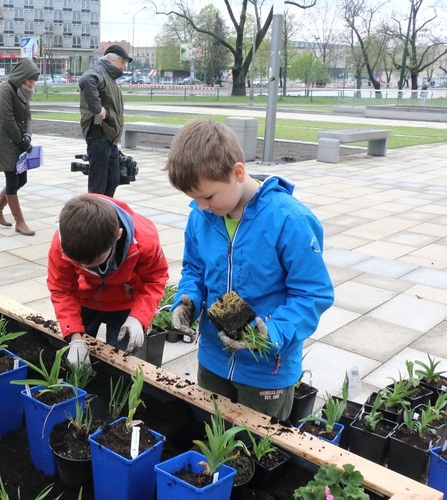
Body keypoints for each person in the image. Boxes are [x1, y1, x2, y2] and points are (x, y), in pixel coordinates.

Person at [165, 120, 334, 421]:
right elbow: (194, 269)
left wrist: (272, 331)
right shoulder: (201, 217)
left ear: (238, 173)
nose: (201, 206)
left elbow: (312, 293)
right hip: (213, 359)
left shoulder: (289, 220)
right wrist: (187, 299)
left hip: (266, 368)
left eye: (208, 196)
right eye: (194, 198)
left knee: (257, 448)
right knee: (212, 433)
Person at [47, 194, 169, 366]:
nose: (85, 267)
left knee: (122, 362)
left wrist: (139, 317)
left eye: (94, 261)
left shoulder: (144, 242)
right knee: (74, 358)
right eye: (78, 263)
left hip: (124, 302)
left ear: (118, 236)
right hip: (84, 298)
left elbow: (155, 279)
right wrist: (74, 337)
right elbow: (61, 288)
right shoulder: (63, 241)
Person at [0, 58, 39, 236]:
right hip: (7, 143)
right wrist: (20, 140)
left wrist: (27, 136)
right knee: (12, 181)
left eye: (34, 81)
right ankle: (20, 222)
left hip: (19, 142)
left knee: (22, 180)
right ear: (22, 77)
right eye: (30, 80)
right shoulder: (6, 90)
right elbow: (7, 118)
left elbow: (29, 117)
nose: (32, 84)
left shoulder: (23, 92)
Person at [78, 45, 132, 198]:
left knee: (113, 180)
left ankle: (104, 214)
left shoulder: (109, 77)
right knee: (98, 185)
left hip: (109, 137)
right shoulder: (99, 72)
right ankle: (93, 218)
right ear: (111, 59)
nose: (124, 66)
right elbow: (86, 80)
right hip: (99, 133)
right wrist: (99, 110)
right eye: (122, 62)